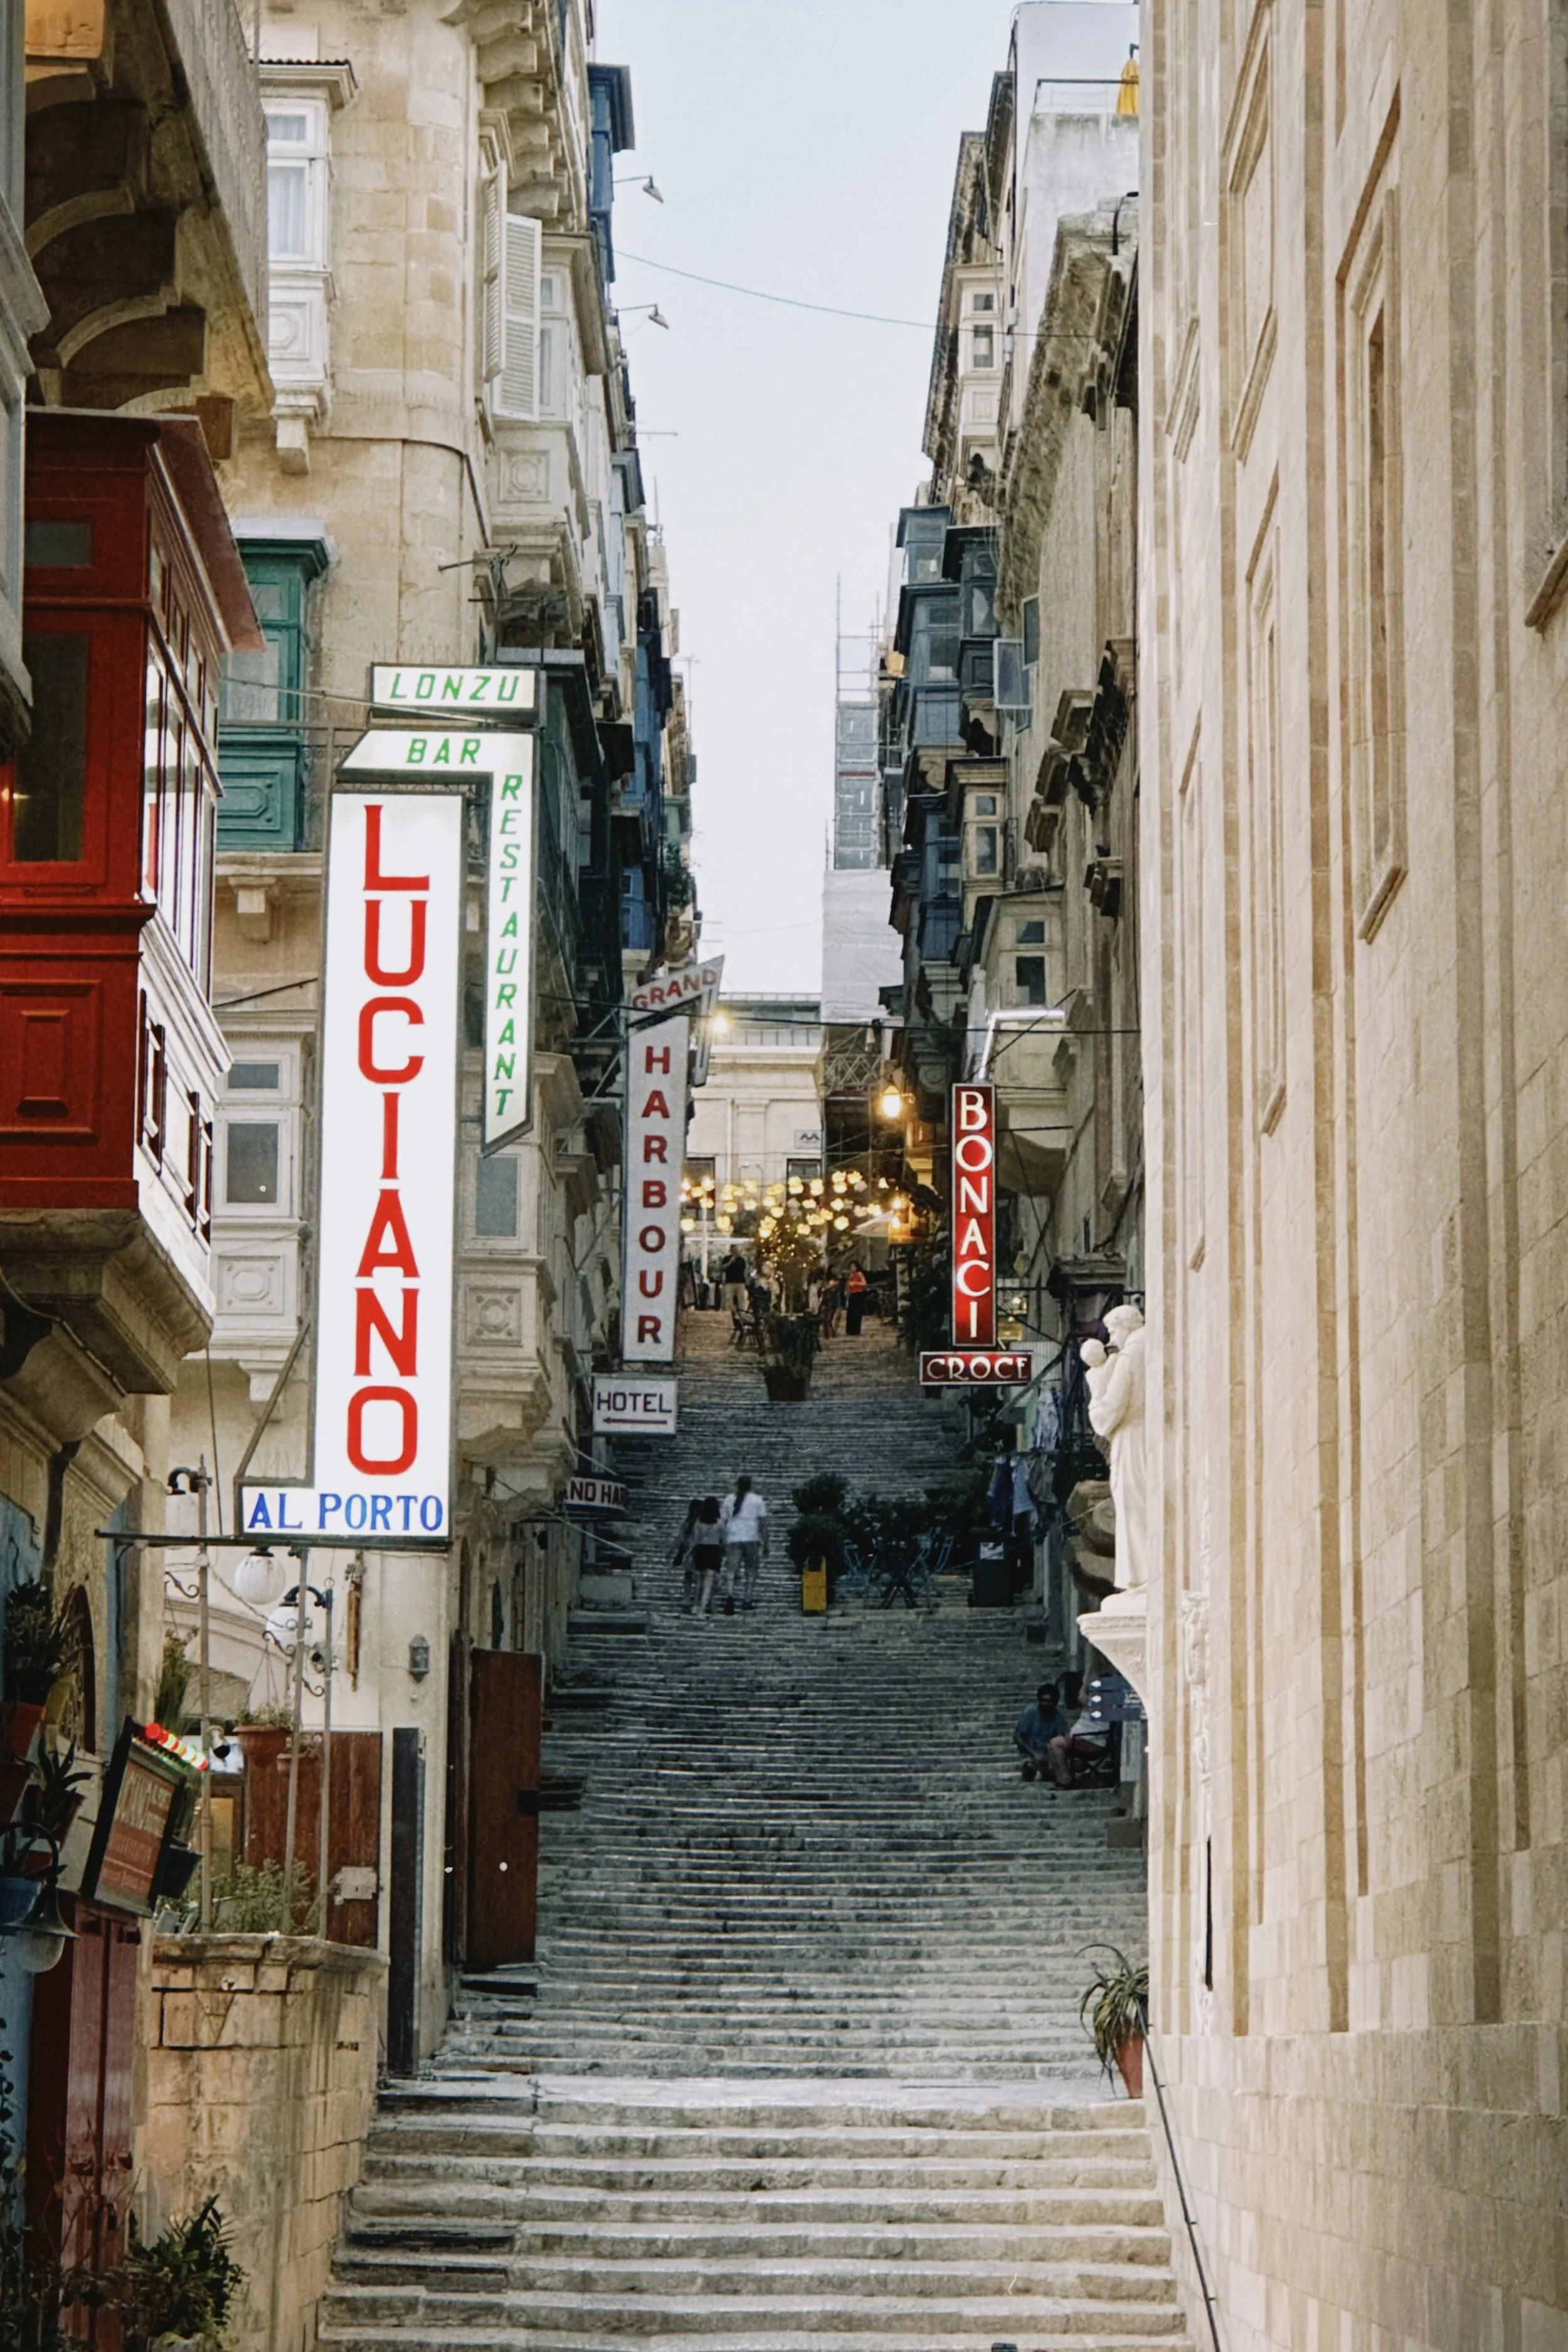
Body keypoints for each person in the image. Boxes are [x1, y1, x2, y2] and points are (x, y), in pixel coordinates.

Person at [719, 1473, 768, 1612]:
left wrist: (722, 1540)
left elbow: (723, 1522)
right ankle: (747, 1599)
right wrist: (766, 1543)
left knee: (731, 1570)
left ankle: (730, 1596)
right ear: (750, 1486)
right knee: (751, 1570)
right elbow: (763, 1524)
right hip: (752, 1537)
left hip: (733, 1537)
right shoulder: (758, 1500)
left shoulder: (729, 1499)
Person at [1049, 1688, 1113, 1788]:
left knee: (1055, 1743)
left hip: (1093, 1742)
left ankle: (1065, 1779)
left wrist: (1084, 1684)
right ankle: (1062, 1776)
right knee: (1053, 1744)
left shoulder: (1101, 1702)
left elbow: (1081, 1698)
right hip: (1083, 1738)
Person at [1015, 1681, 1069, 1780]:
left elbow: (1061, 1737)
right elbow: (1018, 1737)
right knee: (1030, 1768)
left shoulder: (1059, 1718)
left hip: (1050, 1754)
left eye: (1050, 1701)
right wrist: (1034, 1753)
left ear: (1055, 1702)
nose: (1046, 1704)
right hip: (1030, 1752)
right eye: (1043, 1700)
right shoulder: (1030, 1713)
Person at [683, 1496, 724, 1614]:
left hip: (701, 1550)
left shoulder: (699, 1522)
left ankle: (697, 1605)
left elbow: (695, 1539)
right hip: (714, 1551)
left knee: (700, 1580)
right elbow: (723, 1539)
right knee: (709, 1582)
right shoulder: (720, 1523)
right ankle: (703, 1608)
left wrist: (689, 1553)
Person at [721, 1249, 749, 1317]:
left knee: (741, 1298)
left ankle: (741, 1312)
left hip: (740, 1282)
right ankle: (729, 1312)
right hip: (730, 1281)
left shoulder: (741, 1260)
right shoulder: (727, 1259)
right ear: (731, 1251)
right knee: (729, 1298)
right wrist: (730, 1262)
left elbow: (744, 1270)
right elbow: (723, 1268)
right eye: (733, 1250)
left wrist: (746, 1281)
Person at [844, 1263, 869, 1336]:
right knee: (851, 1313)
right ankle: (850, 1330)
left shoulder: (859, 1274)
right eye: (851, 1267)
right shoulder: (851, 1276)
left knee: (857, 1313)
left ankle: (856, 1330)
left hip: (858, 1294)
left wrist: (856, 1283)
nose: (852, 1268)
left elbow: (864, 1283)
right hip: (852, 1294)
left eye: (854, 1267)